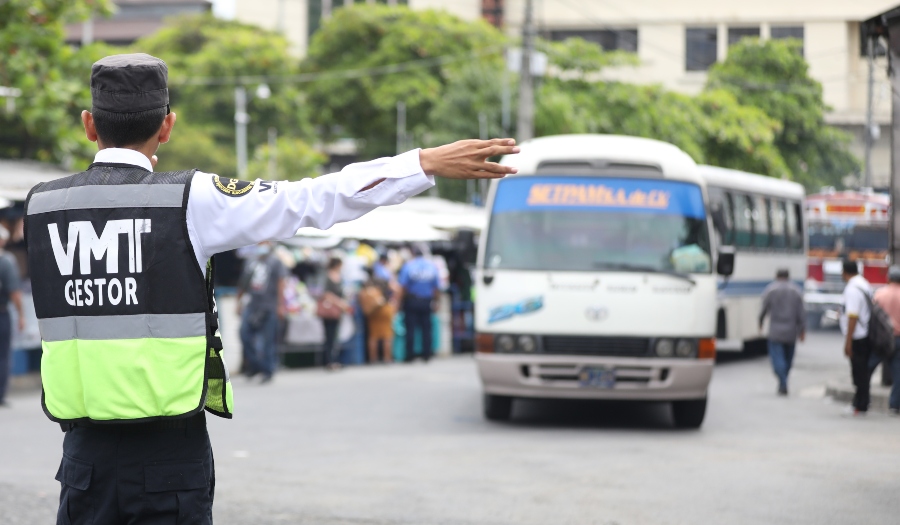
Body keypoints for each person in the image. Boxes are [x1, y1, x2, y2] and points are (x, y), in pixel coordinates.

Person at [24, 53, 519, 524]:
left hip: (83, 460)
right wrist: (421, 162)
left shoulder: (42, 207)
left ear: (89, 124)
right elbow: (308, 200)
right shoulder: (188, 198)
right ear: (167, 126)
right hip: (168, 456)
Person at [236, 241, 287, 383]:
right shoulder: (250, 261)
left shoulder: (276, 262)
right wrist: (238, 302)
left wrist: (281, 305)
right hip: (252, 305)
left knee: (267, 340)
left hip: (269, 305)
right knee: (244, 334)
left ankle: (267, 370)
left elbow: (281, 283)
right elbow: (243, 283)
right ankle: (255, 365)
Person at [759, 269, 806, 396]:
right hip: (791, 332)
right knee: (788, 360)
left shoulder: (771, 290)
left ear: (777, 276)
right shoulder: (796, 291)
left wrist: (760, 322)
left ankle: (783, 383)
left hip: (775, 332)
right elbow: (801, 314)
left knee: (778, 361)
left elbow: (763, 309)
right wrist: (802, 330)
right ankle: (784, 382)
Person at [840, 259, 873, 416]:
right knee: (863, 371)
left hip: (858, 336)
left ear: (844, 271)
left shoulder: (852, 289)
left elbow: (852, 316)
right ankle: (861, 403)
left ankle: (860, 404)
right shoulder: (864, 283)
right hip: (865, 334)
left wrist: (848, 342)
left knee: (859, 372)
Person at [398, 246, 441, 363]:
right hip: (426, 301)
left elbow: (403, 286)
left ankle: (410, 355)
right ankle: (427, 354)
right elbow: (436, 287)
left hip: (412, 301)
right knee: (426, 329)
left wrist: (399, 302)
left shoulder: (408, 266)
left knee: (410, 328)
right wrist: (437, 302)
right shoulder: (431, 267)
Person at [0, 225, 25, 408]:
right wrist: (21, 315)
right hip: (1, 313)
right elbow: (14, 293)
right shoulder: (6, 261)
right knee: (2, 356)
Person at [873, 265, 900, 414]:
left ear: (888, 278)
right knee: (898, 374)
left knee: (868, 367)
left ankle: (861, 398)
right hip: (898, 339)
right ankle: (895, 405)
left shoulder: (880, 294)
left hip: (881, 340)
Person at [320, 257, 352, 370]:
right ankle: (329, 361)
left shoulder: (340, 277)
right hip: (330, 309)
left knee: (335, 336)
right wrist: (339, 303)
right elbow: (325, 293)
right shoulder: (327, 276)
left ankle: (334, 359)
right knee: (329, 336)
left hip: (338, 310)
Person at [359, 274, 395, 364]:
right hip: (384, 311)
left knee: (374, 336)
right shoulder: (377, 290)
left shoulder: (366, 291)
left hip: (374, 314)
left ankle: (373, 359)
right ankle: (387, 358)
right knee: (387, 336)